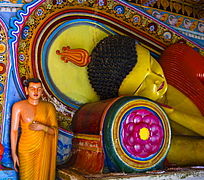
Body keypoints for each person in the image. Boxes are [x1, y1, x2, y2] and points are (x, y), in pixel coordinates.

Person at [86, 35, 204, 165]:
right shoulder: (147, 136)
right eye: (142, 86)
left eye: (152, 64)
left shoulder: (176, 61)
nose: (157, 79)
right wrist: (172, 115)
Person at [10, 78, 58, 180]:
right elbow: (14, 131)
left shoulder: (49, 107)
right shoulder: (18, 106)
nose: (35, 91)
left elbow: (54, 131)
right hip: (25, 150)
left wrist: (44, 128)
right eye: (32, 89)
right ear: (26, 90)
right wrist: (14, 153)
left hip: (43, 150)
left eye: (39, 89)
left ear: (42, 91)